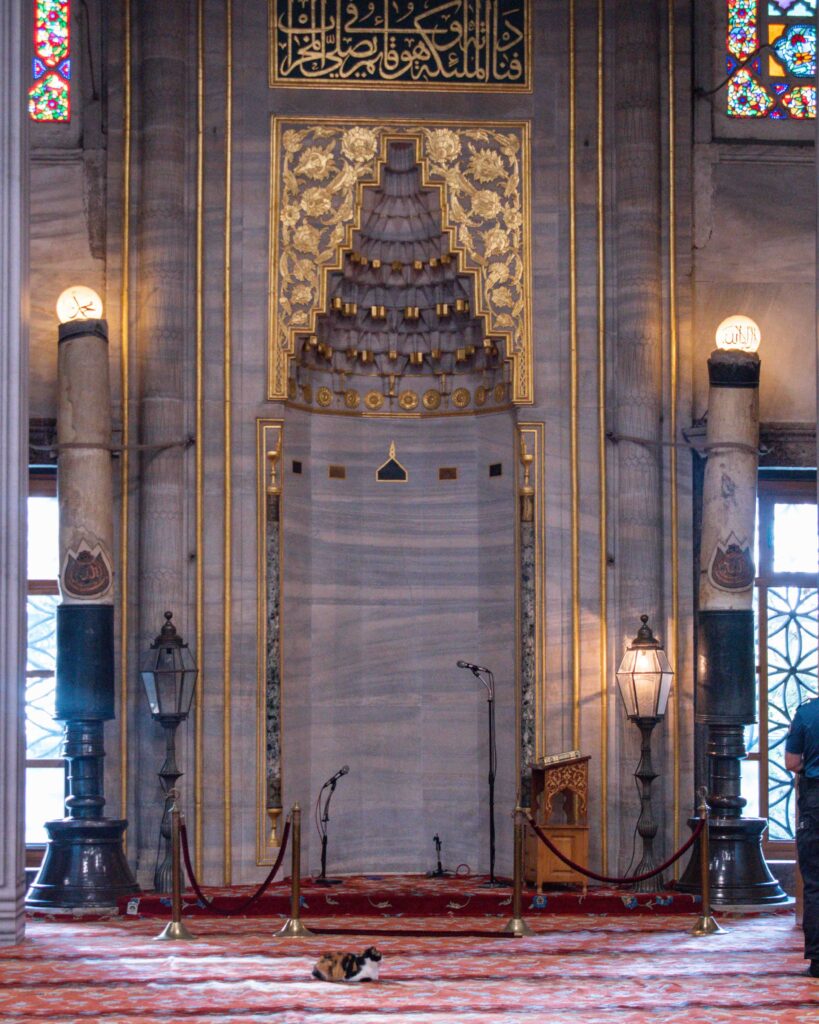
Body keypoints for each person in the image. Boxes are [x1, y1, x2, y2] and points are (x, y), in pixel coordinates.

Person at [785, 696, 819, 978]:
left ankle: (818, 960)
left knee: (815, 884)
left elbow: (792, 761)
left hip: (815, 803)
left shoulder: (807, 712)